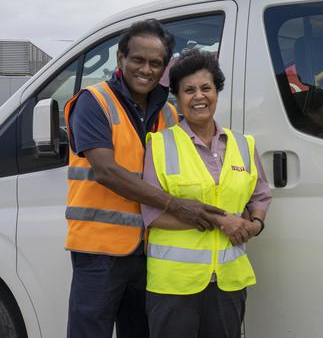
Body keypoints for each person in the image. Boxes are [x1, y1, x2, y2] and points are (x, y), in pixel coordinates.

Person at [64, 19, 227, 338]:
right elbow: (107, 171)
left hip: (149, 248)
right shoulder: (93, 102)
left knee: (139, 331)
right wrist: (176, 205)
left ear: (165, 66)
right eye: (138, 59)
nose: (146, 69)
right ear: (120, 58)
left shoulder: (167, 113)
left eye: (156, 63)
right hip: (100, 250)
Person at [142, 49, 271, 338]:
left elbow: (260, 195)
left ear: (217, 92)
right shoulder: (160, 145)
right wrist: (221, 222)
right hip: (174, 285)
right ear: (176, 97)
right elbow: (152, 214)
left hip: (228, 282)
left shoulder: (243, 144)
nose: (198, 96)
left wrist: (256, 224)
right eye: (188, 90)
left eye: (206, 88)